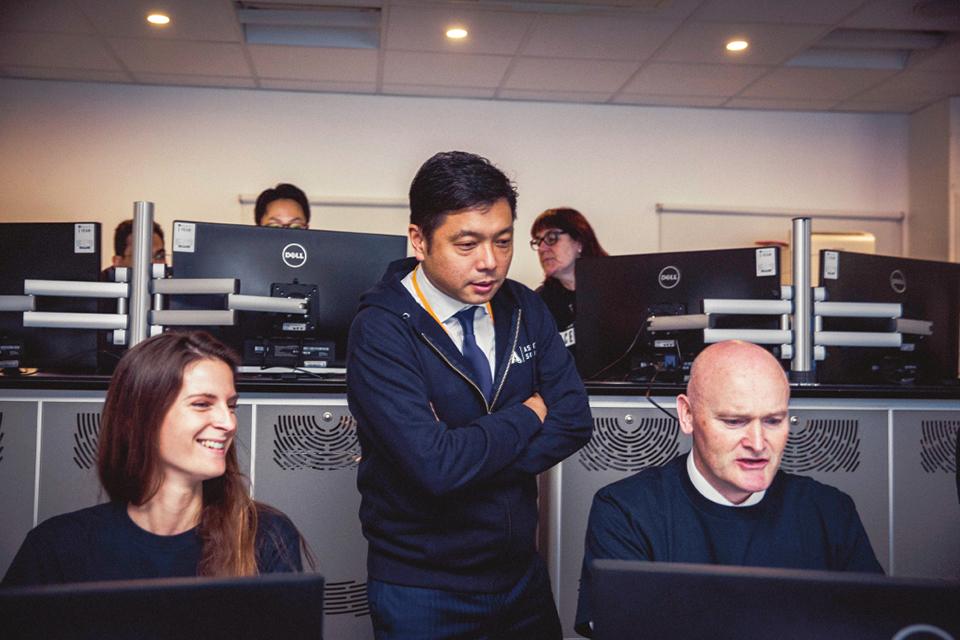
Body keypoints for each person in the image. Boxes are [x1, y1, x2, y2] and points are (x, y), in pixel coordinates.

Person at [347, 151, 593, 639]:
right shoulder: (380, 330)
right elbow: (434, 466)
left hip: (520, 576)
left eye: (503, 241)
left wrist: (465, 459)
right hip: (422, 587)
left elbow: (573, 420)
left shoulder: (524, 307)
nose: (490, 263)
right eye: (467, 244)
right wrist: (528, 415)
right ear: (419, 240)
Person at [574, 340, 883, 637]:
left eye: (773, 421)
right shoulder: (627, 511)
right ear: (687, 415)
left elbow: (876, 626)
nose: (758, 444)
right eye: (734, 422)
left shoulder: (830, 512)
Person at [3, 331, 307, 586]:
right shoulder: (56, 547)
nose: (228, 423)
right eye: (202, 404)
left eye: (231, 406)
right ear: (140, 417)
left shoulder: (266, 537)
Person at [529, 208, 607, 355]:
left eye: (552, 238)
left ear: (579, 242)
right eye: (538, 242)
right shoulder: (538, 304)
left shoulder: (615, 286)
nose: (542, 248)